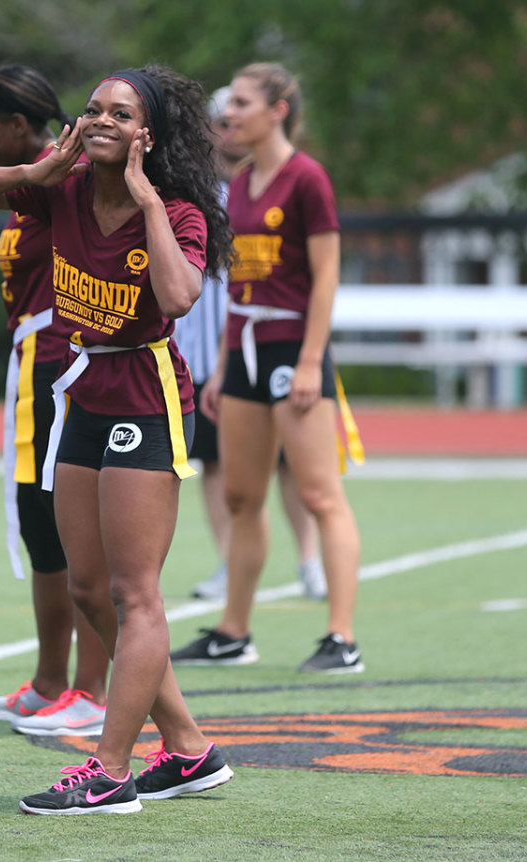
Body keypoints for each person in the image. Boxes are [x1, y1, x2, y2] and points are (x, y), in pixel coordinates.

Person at [0, 64, 235, 815]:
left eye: (121, 114)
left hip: (145, 396)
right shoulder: (59, 192)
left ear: (148, 136)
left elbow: (175, 297)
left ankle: (109, 771)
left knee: (136, 595)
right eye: (93, 109)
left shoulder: (177, 210)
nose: (100, 120)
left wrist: (147, 204)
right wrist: (38, 166)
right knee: (87, 587)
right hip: (82, 395)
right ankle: (191, 751)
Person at [170, 63, 364, 674]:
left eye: (244, 104)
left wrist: (310, 361)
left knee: (317, 493)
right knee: (239, 494)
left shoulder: (307, 179)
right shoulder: (242, 181)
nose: (230, 115)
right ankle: (234, 632)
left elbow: (327, 276)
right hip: (246, 349)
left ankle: (341, 639)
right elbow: (236, 287)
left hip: (292, 350)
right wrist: (225, 367)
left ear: (278, 110)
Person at [0, 66, 110, 737]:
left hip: (65, 367)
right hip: (31, 368)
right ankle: (51, 680)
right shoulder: (40, 182)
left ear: (19, 127)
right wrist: (37, 170)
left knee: (76, 535)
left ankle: (91, 688)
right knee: (39, 526)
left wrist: (57, 167)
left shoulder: (77, 183)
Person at [177, 85, 327, 610]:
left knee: (292, 463)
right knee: (216, 465)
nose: (225, 128)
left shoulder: (274, 184)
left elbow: (315, 271)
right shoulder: (199, 189)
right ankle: (229, 565)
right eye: (219, 120)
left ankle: (310, 560)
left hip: (263, 341)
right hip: (207, 349)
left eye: (235, 115)